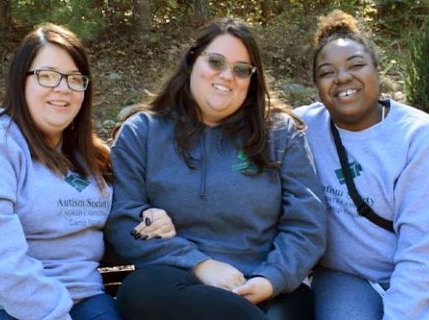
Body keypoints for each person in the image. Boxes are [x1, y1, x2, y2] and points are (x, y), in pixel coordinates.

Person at [0, 23, 173, 320]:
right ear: (21, 81)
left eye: (74, 79)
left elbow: (116, 225)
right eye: (47, 76)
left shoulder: (91, 157)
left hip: (80, 296)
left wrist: (149, 221)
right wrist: (54, 314)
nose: (62, 88)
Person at [104, 17, 326, 320]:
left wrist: (270, 280)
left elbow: (306, 223)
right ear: (192, 61)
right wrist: (200, 264)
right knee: (138, 293)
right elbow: (124, 218)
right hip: (177, 284)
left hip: (265, 286)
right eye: (216, 61)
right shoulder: (143, 132)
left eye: (241, 69)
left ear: (252, 80)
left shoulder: (278, 133)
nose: (227, 76)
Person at [294, 9, 429, 320]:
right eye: (327, 71)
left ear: (377, 69)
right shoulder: (302, 127)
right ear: (317, 87)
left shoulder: (420, 137)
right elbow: (240, 129)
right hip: (346, 275)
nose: (342, 77)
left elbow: (426, 253)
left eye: (356, 65)